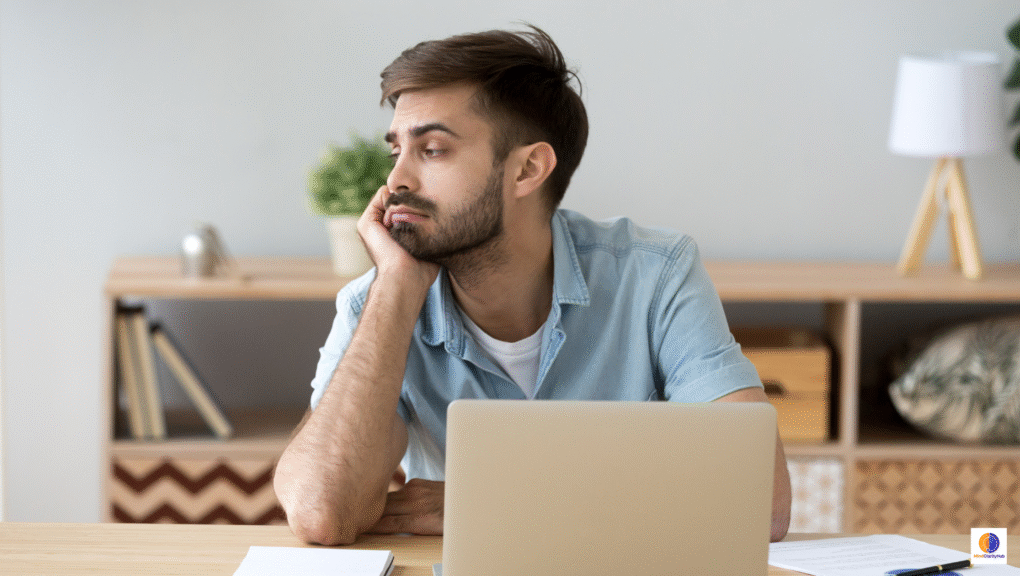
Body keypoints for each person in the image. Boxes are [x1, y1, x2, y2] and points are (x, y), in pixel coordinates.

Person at [273, 24, 792, 546]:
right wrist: (396, 289)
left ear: (527, 169)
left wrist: (494, 505)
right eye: (396, 153)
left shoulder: (654, 275)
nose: (396, 182)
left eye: (431, 150)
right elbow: (321, 511)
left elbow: (760, 503)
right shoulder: (378, 301)